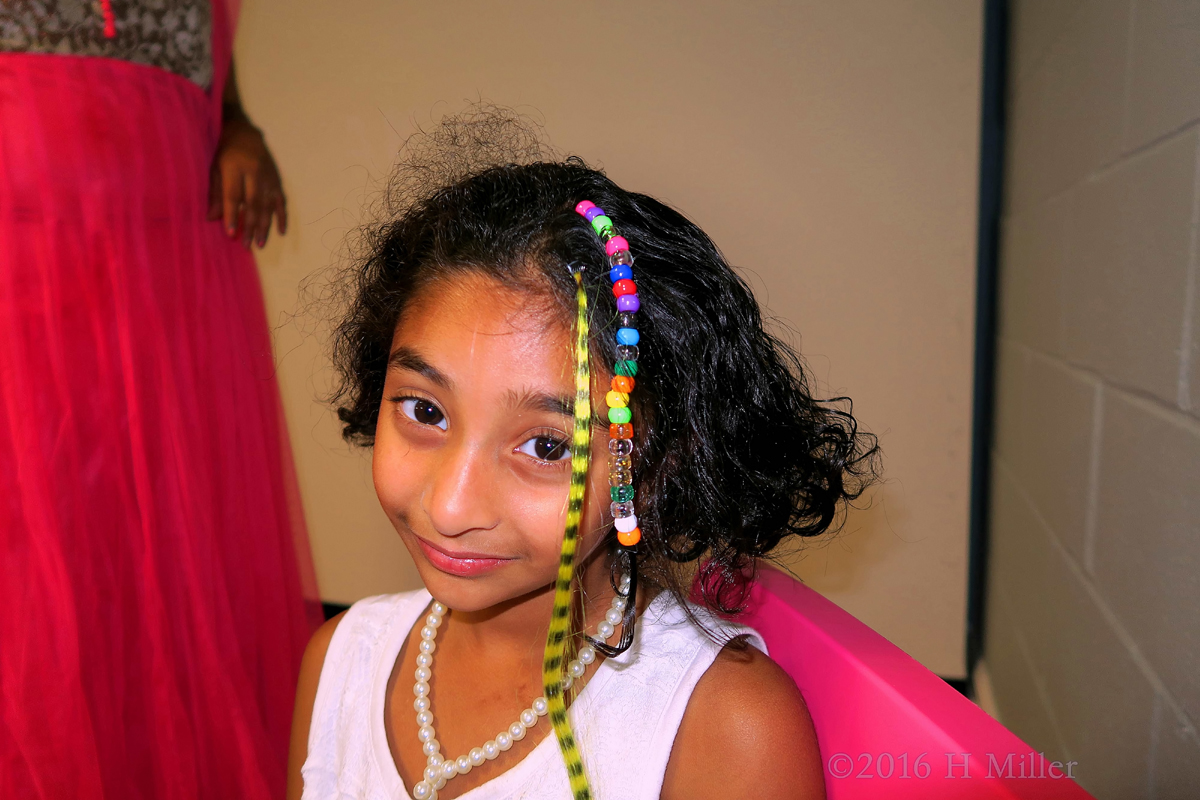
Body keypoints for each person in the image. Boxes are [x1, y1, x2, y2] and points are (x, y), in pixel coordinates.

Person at [289, 115, 877, 800]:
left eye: (545, 446)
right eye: (426, 411)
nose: (448, 506)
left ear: (655, 466)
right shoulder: (341, 662)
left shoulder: (721, 729)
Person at [0, 2, 321, 798]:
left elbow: (214, 80)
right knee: (32, 553)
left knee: (161, 546)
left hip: (166, 279)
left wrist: (238, 126)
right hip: (21, 271)